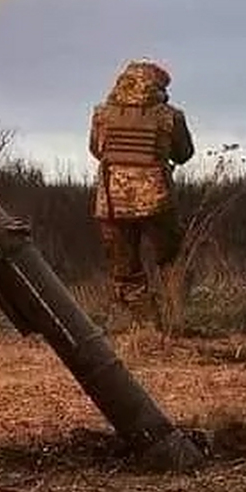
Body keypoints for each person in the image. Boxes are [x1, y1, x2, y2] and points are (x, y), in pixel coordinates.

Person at [89, 59, 195, 331]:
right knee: (172, 259)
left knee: (125, 270)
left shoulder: (102, 114)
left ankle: (145, 325)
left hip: (112, 203)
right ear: (158, 86)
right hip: (157, 201)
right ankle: (175, 321)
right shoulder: (169, 115)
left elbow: (96, 150)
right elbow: (184, 154)